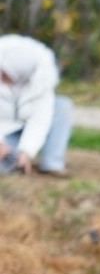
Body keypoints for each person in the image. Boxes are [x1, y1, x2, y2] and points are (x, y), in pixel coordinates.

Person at [0, 35, 72, 178]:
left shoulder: (41, 84)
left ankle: (52, 163)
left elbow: (39, 121)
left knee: (62, 105)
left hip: (24, 130)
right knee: (5, 166)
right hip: (5, 131)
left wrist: (26, 151)